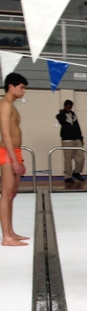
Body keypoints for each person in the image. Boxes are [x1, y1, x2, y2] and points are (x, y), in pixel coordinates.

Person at [0, 73, 29, 246]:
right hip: (7, 152)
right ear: (11, 86)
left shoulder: (12, 106)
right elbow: (5, 133)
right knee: (6, 194)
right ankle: (6, 237)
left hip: (15, 152)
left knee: (12, 194)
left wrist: (18, 158)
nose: (23, 91)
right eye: (22, 87)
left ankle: (11, 231)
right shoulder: (5, 105)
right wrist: (14, 160)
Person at [56, 99, 85, 183]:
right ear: (65, 106)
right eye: (68, 107)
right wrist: (63, 112)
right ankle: (67, 176)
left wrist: (81, 138)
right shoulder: (60, 115)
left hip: (77, 139)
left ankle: (76, 172)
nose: (69, 109)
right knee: (68, 159)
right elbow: (61, 120)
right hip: (67, 140)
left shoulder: (73, 115)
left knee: (81, 158)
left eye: (70, 107)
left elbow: (77, 126)